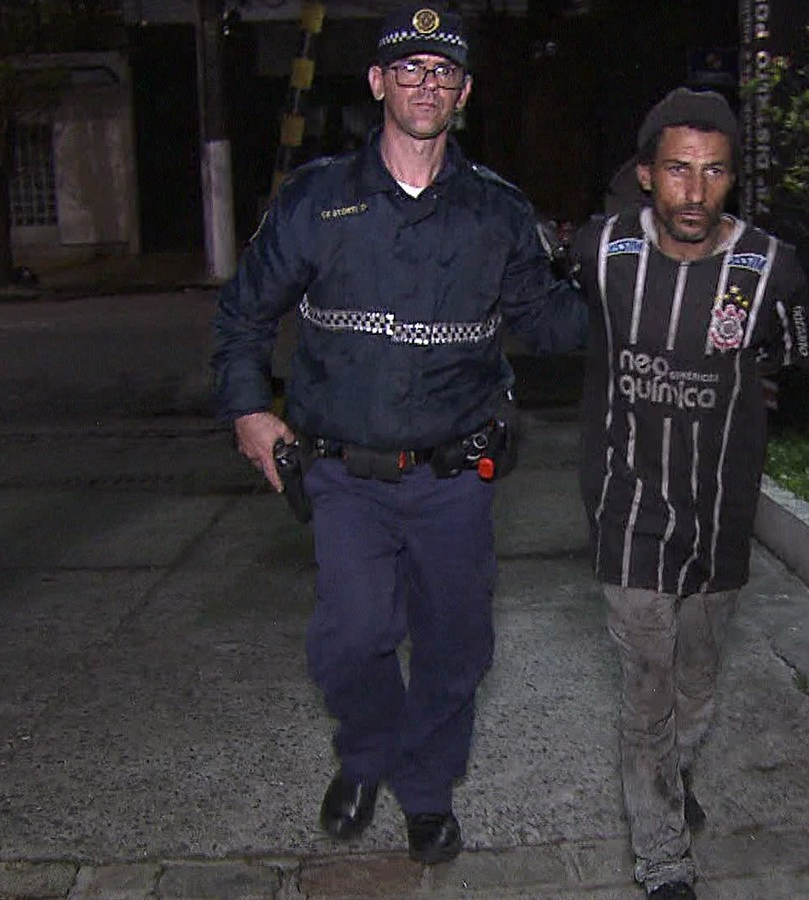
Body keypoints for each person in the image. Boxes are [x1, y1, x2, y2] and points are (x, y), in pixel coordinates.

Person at [210, 3, 588, 866]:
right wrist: (248, 409)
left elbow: (552, 322)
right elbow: (242, 316)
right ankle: (369, 755)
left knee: (457, 648)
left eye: (445, 72)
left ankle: (423, 793)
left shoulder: (495, 212)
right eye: (410, 69)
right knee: (350, 639)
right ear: (379, 83)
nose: (428, 85)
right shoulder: (316, 203)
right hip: (344, 474)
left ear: (463, 92)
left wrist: (630, 281)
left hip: (455, 476)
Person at [571, 88, 809, 900]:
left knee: (696, 689)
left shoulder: (768, 268)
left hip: (718, 523)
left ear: (731, 180)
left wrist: (764, 389)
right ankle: (663, 861)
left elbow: (803, 364)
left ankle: (669, 781)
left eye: (713, 173)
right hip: (629, 515)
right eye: (678, 170)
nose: (694, 190)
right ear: (647, 175)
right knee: (646, 690)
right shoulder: (600, 254)